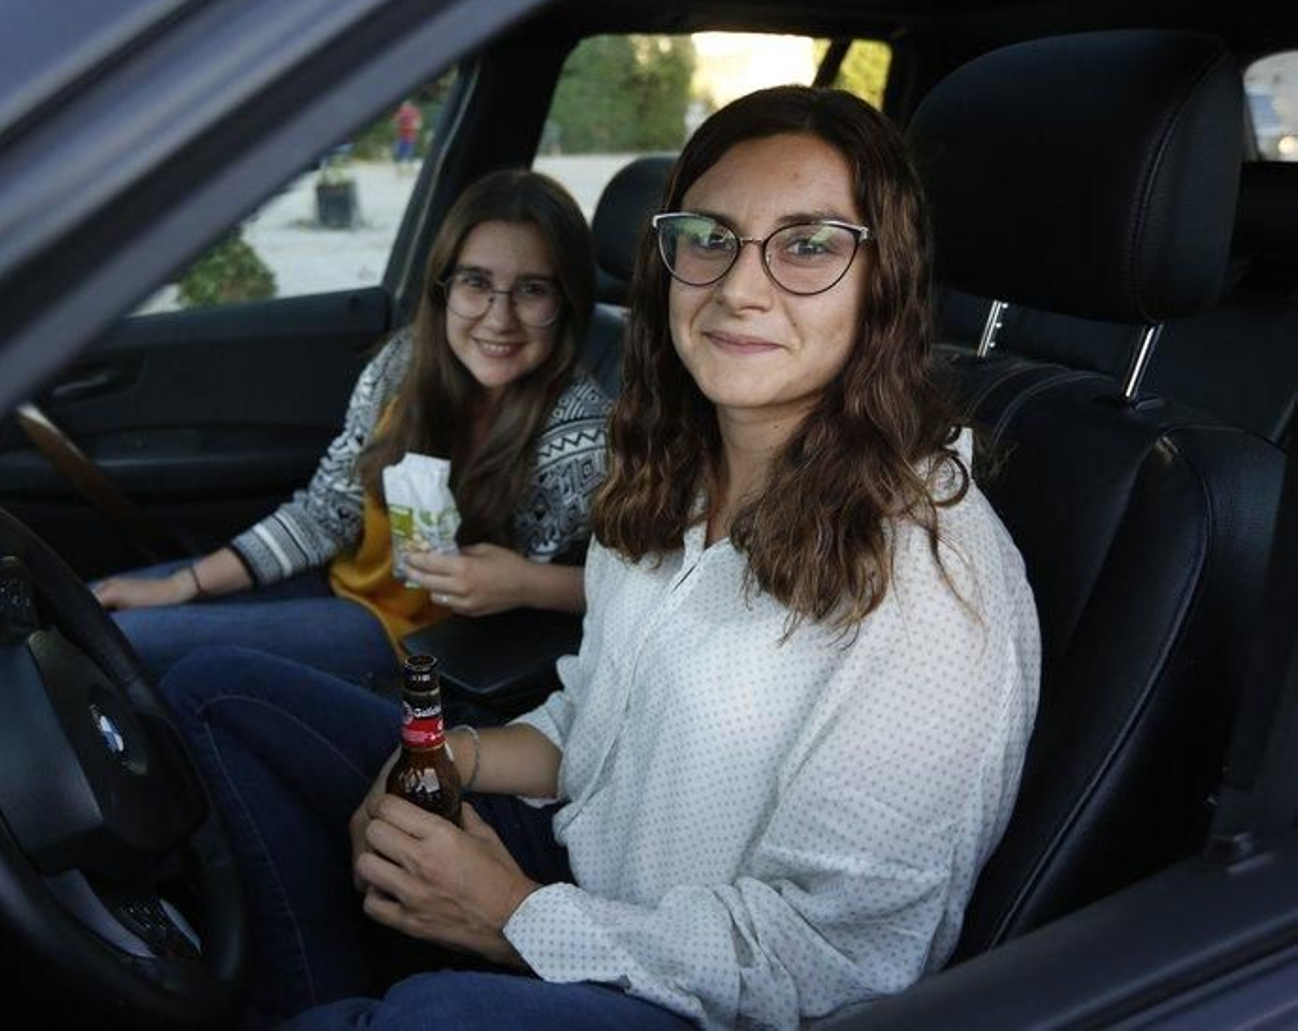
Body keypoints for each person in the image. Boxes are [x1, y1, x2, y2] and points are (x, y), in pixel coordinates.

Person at [159, 85, 1040, 1028]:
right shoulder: (676, 471)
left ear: (886, 283)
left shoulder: (934, 584)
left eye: (809, 245)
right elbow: (594, 721)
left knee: (432, 1015)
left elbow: (835, 958)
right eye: (709, 236)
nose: (740, 286)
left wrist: (514, 919)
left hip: (707, 999)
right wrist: (453, 755)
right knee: (220, 696)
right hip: (581, 871)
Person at [93, 169, 611, 687]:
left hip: (424, 642)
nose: (499, 318)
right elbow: (327, 511)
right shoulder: (403, 365)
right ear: (443, 287)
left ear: (567, 303)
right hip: (336, 582)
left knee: (129, 644)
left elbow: (648, 590)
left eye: (532, 290)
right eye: (476, 282)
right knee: (93, 613)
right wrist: (184, 584)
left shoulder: (581, 433)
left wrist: (527, 585)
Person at [393, 99, 422, 175]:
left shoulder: (407, 112)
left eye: (406, 104)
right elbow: (418, 125)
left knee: (406, 153)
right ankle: (403, 170)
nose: (405, 106)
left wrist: (401, 125)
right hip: (406, 136)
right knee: (404, 153)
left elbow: (395, 123)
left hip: (407, 136)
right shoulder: (411, 111)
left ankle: (405, 170)